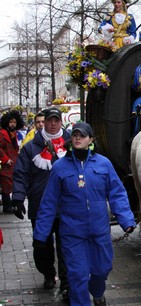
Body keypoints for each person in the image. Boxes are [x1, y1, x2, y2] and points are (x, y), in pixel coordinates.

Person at [33, 122, 136, 306]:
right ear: (71, 139)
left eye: (82, 135)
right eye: (75, 135)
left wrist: (126, 220)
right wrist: (40, 234)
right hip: (73, 234)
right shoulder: (60, 167)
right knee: (77, 276)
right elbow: (48, 203)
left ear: (91, 140)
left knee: (101, 270)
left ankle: (97, 292)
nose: (78, 138)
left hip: (100, 232)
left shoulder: (103, 164)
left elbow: (117, 193)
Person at [11, 108, 70, 301]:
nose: (52, 124)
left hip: (67, 207)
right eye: (49, 121)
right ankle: (47, 273)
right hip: (41, 206)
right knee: (41, 246)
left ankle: (67, 284)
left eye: (56, 120)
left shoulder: (73, 143)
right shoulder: (30, 147)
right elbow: (21, 174)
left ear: (61, 122)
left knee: (66, 247)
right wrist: (18, 198)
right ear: (43, 123)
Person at [0, 110, 25, 213]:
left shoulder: (13, 133)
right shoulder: (3, 133)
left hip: (13, 162)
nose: (13, 124)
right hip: (7, 164)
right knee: (6, 184)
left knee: (10, 183)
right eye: (11, 122)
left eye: (14, 122)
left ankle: (10, 203)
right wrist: (5, 159)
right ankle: (7, 206)